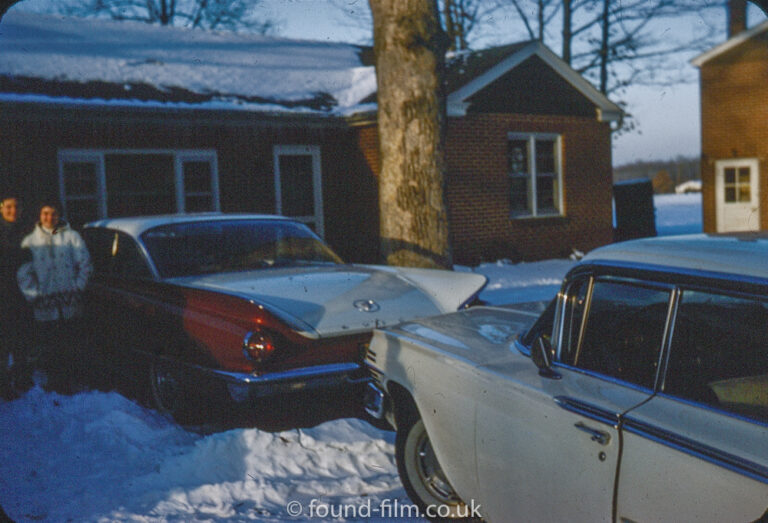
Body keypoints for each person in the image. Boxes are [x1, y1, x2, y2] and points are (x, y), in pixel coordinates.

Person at [17, 200, 92, 393]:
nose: (49, 217)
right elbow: (23, 273)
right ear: (39, 216)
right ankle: (54, 382)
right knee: (50, 346)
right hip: (45, 306)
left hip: (69, 303)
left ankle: (72, 381)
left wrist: (77, 287)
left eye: (53, 213)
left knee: (71, 343)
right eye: (45, 213)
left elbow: (85, 264)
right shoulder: (30, 241)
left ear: (59, 215)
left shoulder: (71, 237)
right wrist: (34, 296)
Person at [0, 194, 32, 399]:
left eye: (16, 207)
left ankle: (21, 376)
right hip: (2, 294)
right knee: (3, 343)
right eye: (9, 207)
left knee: (21, 338)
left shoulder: (27, 232)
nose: (13, 211)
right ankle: (3, 383)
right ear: (1, 208)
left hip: (22, 294)